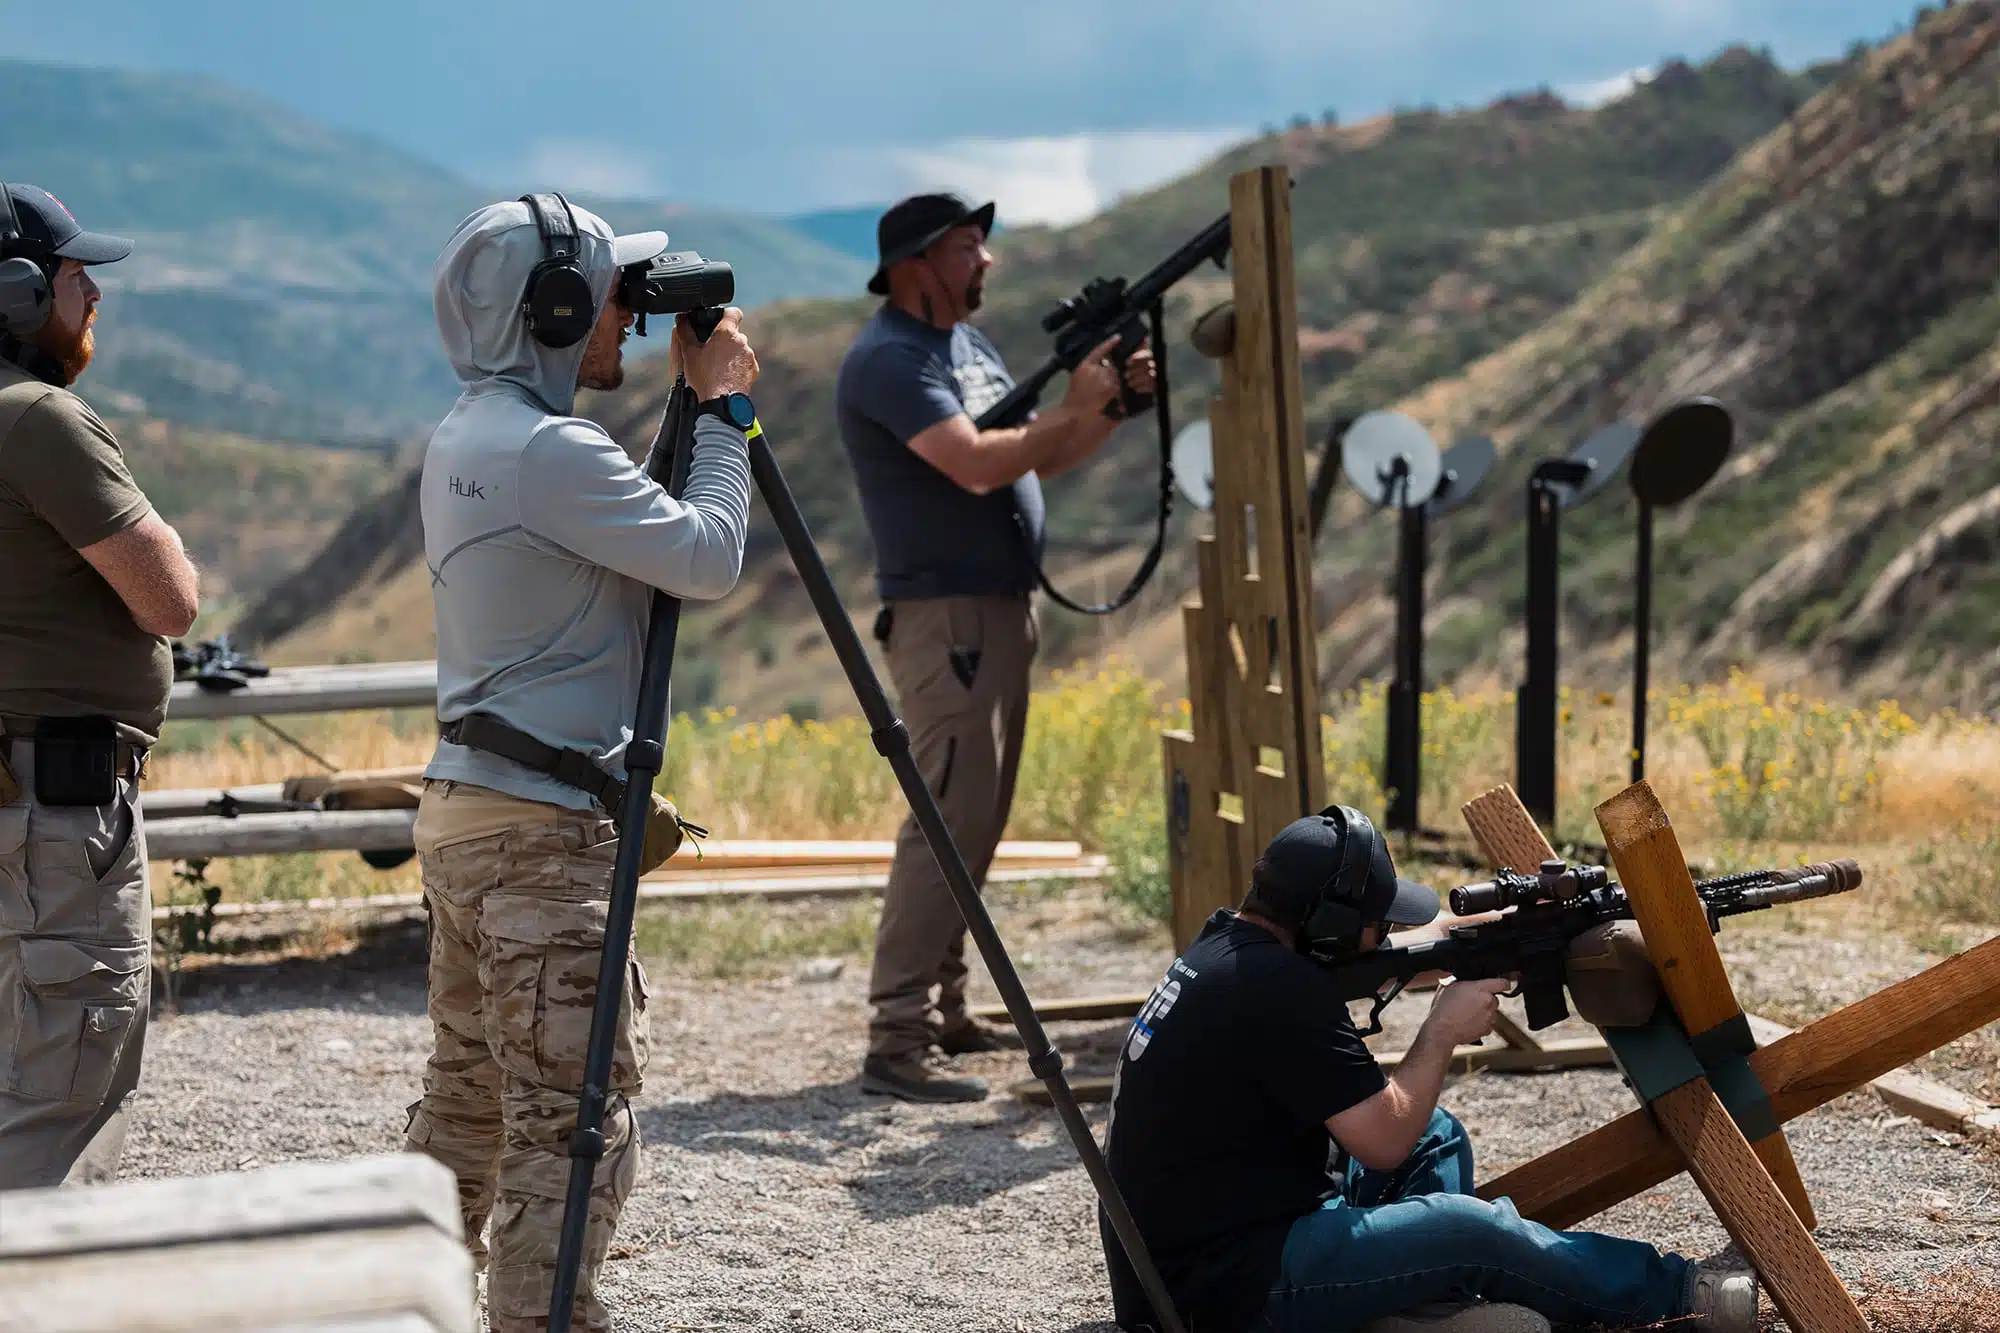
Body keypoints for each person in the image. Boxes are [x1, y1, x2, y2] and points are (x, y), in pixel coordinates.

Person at [402, 191, 759, 1332]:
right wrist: (727, 409)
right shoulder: (551, 452)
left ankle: (399, 1305)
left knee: (463, 1109)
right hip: (542, 838)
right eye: (611, 296)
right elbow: (702, 557)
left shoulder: (466, 433)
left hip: (464, 812)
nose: (627, 320)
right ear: (554, 309)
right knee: (567, 1126)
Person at [1098, 805, 1760, 1333]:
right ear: (1324, 923)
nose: (1384, 931)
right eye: (1373, 920)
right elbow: (1381, 1139)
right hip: (1227, 1293)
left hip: (1208, 1240)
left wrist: (1498, 928)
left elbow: (1396, 948)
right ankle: (1677, 1290)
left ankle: (1412, 1305)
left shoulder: (1231, 947)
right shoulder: (1282, 989)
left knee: (1435, 1131)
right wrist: (1442, 1028)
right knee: (1470, 1227)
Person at [835, 191, 1155, 1102]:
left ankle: (943, 1009)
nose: (987, 261)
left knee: (977, 817)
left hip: (994, 611)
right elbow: (975, 461)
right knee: (943, 817)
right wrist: (1078, 405)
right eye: (970, 246)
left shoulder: (964, 349)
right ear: (916, 263)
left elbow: (1039, 455)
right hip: (948, 619)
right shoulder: (890, 360)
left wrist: (1107, 409)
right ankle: (896, 1035)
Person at [0, 183, 199, 1191]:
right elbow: (169, 599)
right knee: (59, 1101)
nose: (92, 296)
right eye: (77, 274)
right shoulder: (37, 419)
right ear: (18, 290)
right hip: (51, 809)